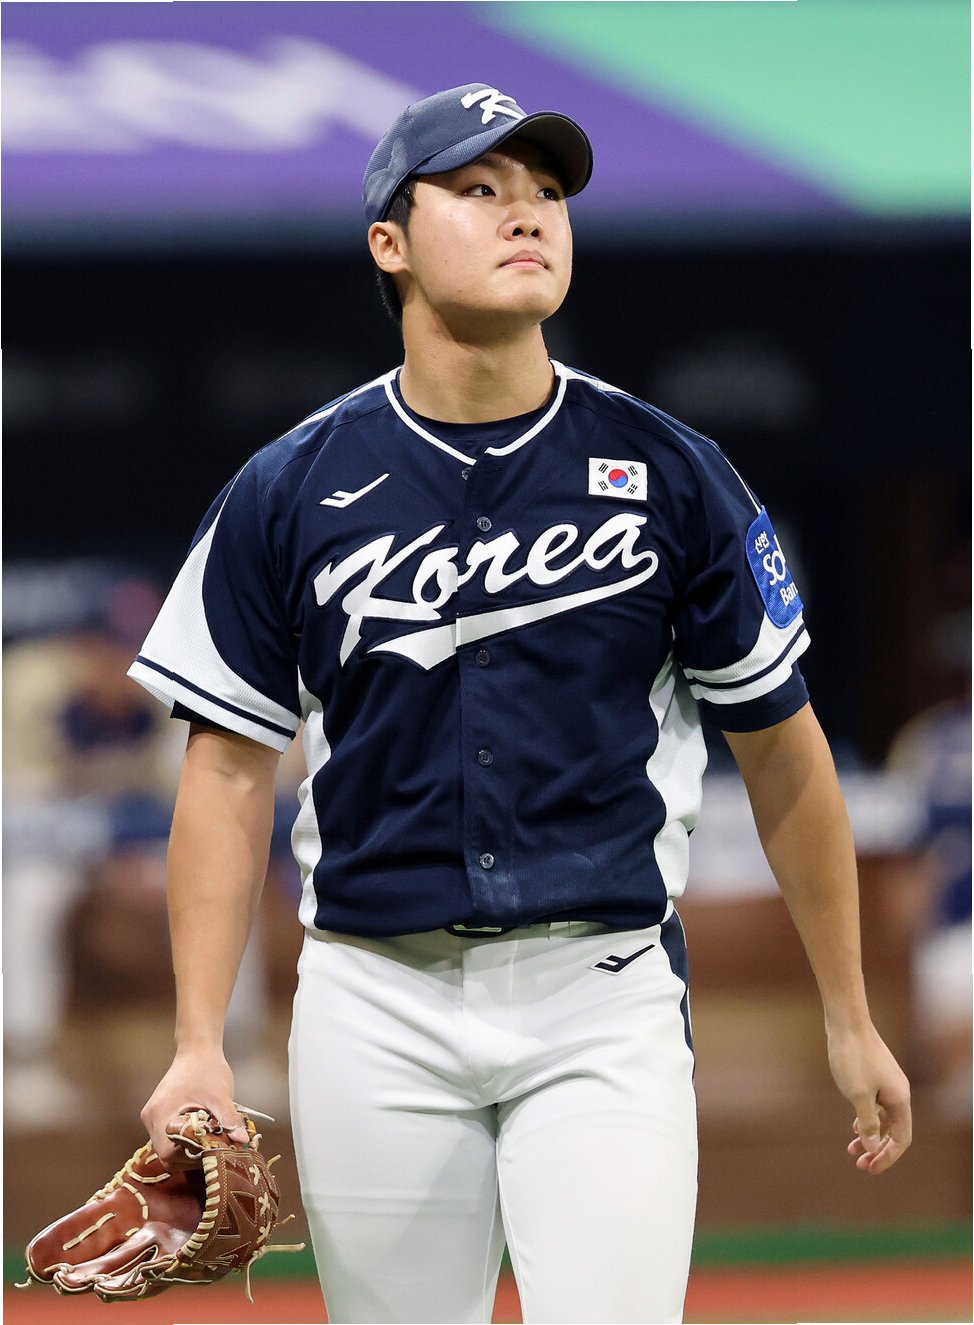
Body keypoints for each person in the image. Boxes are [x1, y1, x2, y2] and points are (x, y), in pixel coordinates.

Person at [132, 83, 912, 1324]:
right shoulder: (288, 487)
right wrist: (195, 1041)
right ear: (388, 242)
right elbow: (227, 773)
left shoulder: (671, 472)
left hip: (600, 989)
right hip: (372, 999)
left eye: (546, 191)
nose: (526, 214)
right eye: (478, 189)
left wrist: (848, 1012)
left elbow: (783, 753)